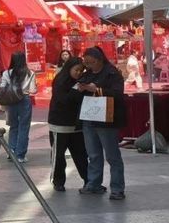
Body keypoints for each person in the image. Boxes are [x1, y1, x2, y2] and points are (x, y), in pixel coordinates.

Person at [77, 46, 128, 200]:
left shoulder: (112, 73)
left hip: (107, 120)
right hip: (89, 118)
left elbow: (118, 94)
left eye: (91, 62)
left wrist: (98, 90)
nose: (89, 66)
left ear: (100, 60)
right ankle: (94, 184)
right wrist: (81, 87)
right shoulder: (87, 74)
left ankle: (117, 189)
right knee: (93, 154)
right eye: (86, 63)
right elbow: (78, 86)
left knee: (112, 156)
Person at [47, 58, 89, 192]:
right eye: (76, 70)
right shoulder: (60, 81)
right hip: (59, 124)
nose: (79, 73)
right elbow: (63, 100)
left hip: (76, 125)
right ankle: (58, 181)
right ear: (69, 68)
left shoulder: (81, 82)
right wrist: (76, 90)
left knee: (81, 154)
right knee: (59, 155)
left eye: (81, 70)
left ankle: (89, 180)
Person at [0, 52, 37, 163]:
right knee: (24, 127)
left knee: (13, 126)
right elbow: (32, 90)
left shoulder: (6, 73)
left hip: (11, 100)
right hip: (24, 100)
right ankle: (20, 155)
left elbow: (2, 87)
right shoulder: (30, 73)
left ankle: (11, 152)